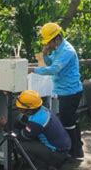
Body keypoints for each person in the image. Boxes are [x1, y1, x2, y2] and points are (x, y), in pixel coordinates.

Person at [32, 22, 84, 159]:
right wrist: (45, 55)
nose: (47, 45)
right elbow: (50, 63)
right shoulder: (57, 49)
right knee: (70, 120)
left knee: (68, 122)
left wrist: (33, 70)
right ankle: (77, 149)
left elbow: (54, 69)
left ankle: (74, 152)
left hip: (70, 91)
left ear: (56, 38)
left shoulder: (67, 51)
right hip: (64, 90)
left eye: (48, 42)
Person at [14, 90, 71, 170]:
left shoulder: (37, 122)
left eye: (20, 108)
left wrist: (11, 129)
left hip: (57, 152)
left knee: (19, 145)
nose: (18, 108)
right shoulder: (43, 109)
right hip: (64, 146)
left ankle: (47, 166)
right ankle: (60, 158)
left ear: (28, 110)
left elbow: (23, 136)